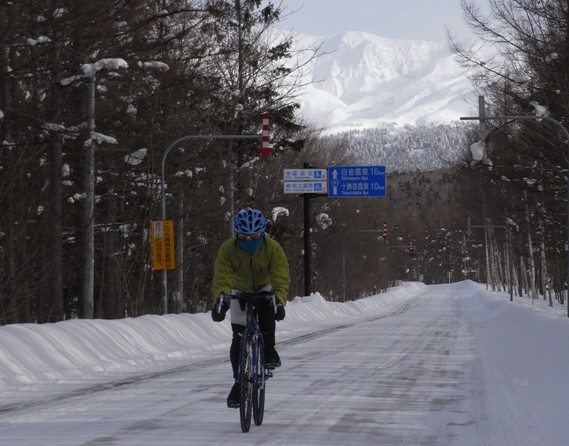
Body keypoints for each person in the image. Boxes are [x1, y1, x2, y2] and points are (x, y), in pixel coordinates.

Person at [211, 207, 289, 408]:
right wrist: (221, 302)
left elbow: (280, 277)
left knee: (266, 308)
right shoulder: (228, 249)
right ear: (237, 234)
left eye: (254, 236)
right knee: (238, 334)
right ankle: (239, 382)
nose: (249, 241)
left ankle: (270, 351)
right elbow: (222, 278)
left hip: (265, 285)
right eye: (244, 237)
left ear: (262, 233)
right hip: (240, 287)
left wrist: (279, 301)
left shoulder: (273, 248)